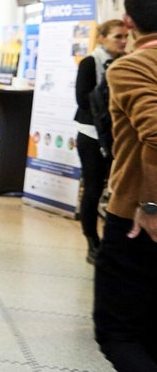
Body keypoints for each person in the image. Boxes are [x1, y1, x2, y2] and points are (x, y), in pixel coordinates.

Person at [94, 0, 157, 372]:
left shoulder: (133, 66)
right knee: (152, 329)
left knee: (115, 330)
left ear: (130, 23)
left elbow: (155, 132)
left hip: (138, 220)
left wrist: (152, 204)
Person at [75, 19, 128, 263]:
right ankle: (91, 241)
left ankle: (112, 241)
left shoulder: (126, 63)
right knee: (93, 188)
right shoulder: (90, 62)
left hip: (116, 135)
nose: (123, 41)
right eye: (118, 36)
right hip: (91, 134)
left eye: (126, 37)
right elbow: (82, 100)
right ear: (102, 38)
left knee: (116, 189)